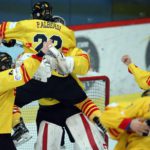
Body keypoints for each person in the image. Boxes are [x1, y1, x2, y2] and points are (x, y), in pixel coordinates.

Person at [0, 1, 107, 149]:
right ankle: (99, 118)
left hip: (38, 81)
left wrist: (9, 39)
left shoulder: (26, 26)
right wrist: (68, 63)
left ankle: (18, 126)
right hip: (62, 85)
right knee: (83, 102)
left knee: (10, 99)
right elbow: (84, 64)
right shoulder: (67, 32)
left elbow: (3, 30)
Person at [0, 39, 56, 150]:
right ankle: (18, 126)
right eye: (8, 65)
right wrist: (41, 53)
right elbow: (23, 72)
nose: (11, 67)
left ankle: (18, 125)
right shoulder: (3, 79)